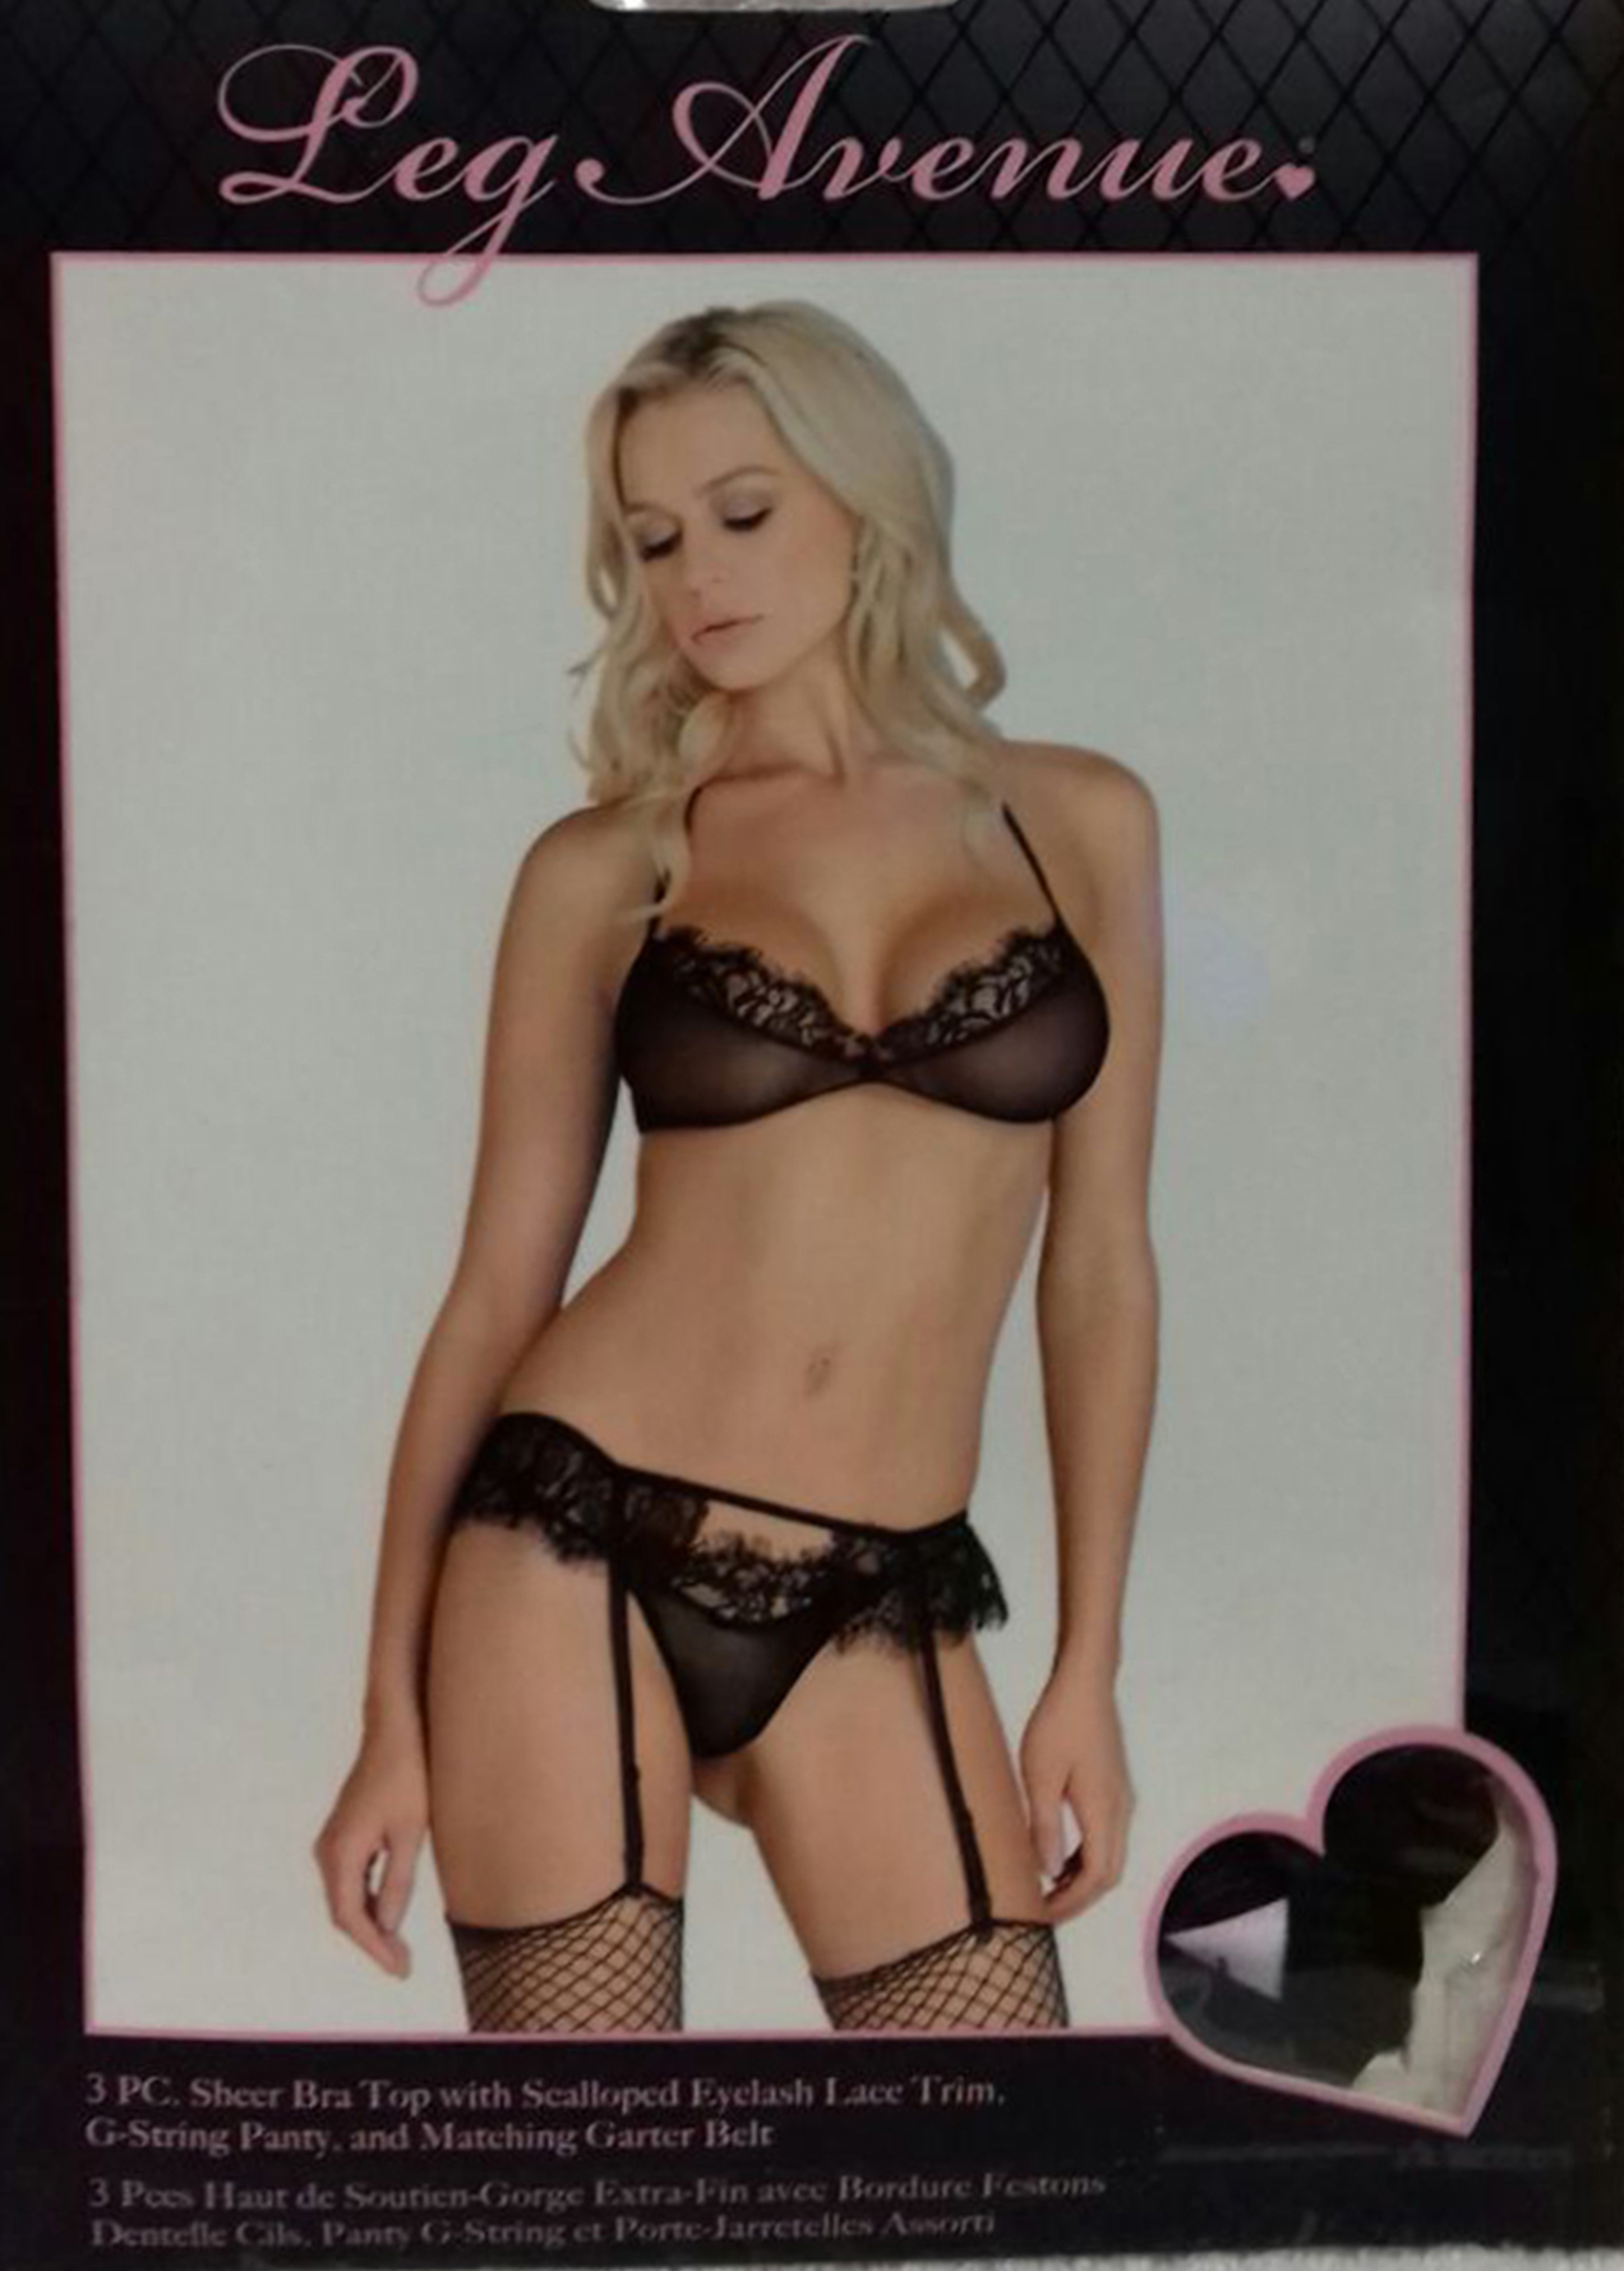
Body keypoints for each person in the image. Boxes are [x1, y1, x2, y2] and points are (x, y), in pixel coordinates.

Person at [313, 300, 1163, 2035]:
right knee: (587, 2164)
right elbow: (496, 1292)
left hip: (882, 1586)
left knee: (991, 2150)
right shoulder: (608, 869)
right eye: (653, 539)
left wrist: (1088, 1664)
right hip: (575, 1531)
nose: (697, 576)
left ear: (865, 496)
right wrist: (388, 1712)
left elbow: (1100, 1269)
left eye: (744, 511)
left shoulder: (1078, 822)